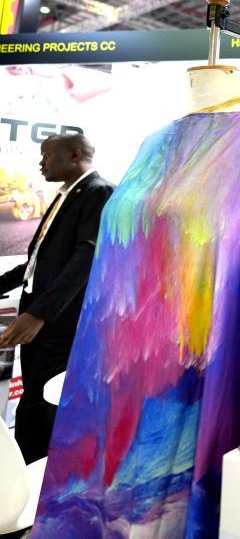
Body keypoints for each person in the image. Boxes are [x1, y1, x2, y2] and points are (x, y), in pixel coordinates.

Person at [0, 133, 115, 462]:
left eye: (47, 155)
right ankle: (30, 468)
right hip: (42, 319)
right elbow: (37, 262)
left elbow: (87, 257)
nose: (41, 162)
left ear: (75, 154)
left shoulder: (99, 192)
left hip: (61, 323)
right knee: (34, 401)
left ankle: (35, 475)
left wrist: (40, 313)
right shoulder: (68, 193)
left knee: (41, 405)